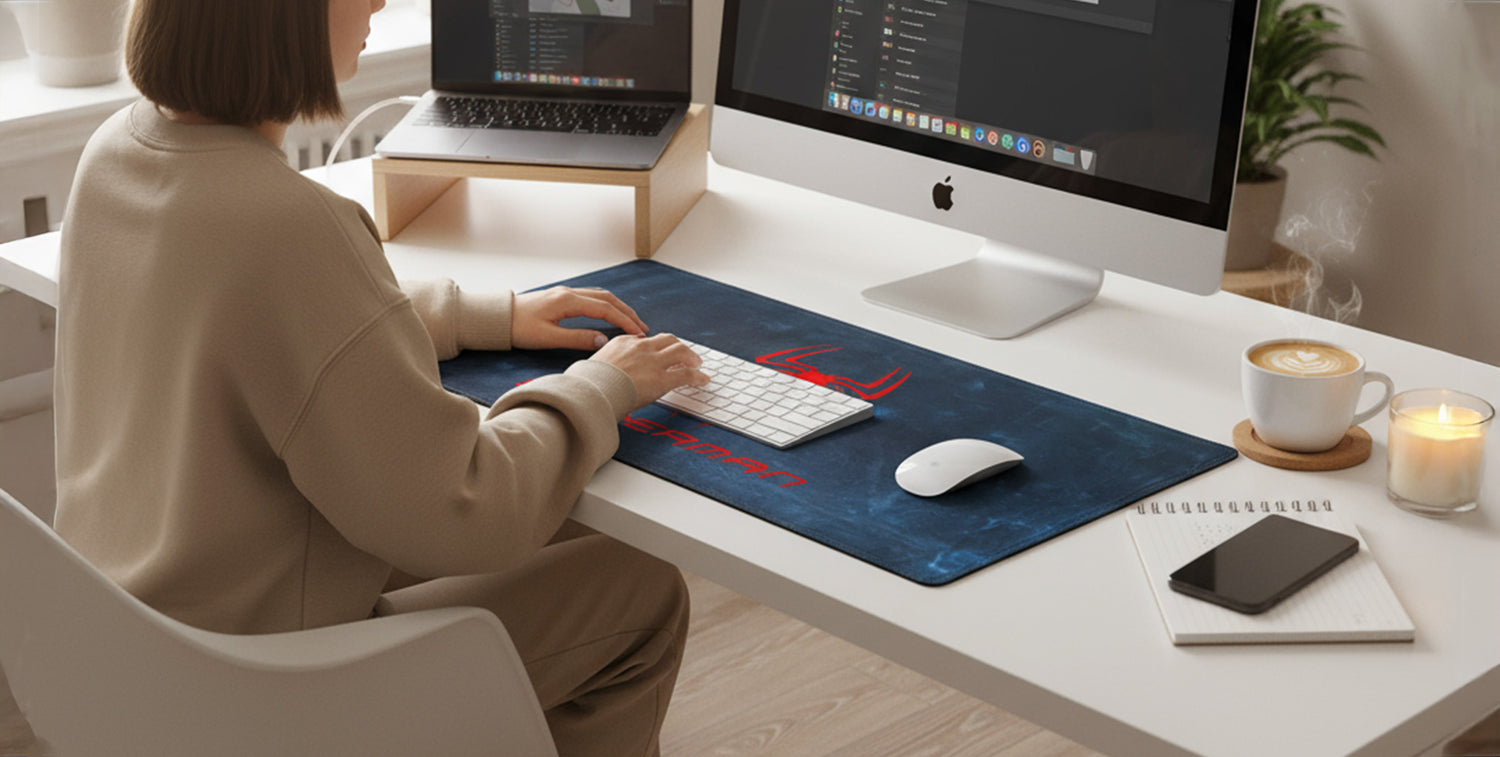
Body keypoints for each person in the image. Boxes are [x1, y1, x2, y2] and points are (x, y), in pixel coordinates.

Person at [51, 0, 708, 754]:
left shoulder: (117, 153)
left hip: (141, 648)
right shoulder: (287, 224)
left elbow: (280, 328)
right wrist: (602, 385)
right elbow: (470, 508)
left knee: (564, 517)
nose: (379, 2)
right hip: (257, 692)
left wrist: (488, 316)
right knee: (639, 586)